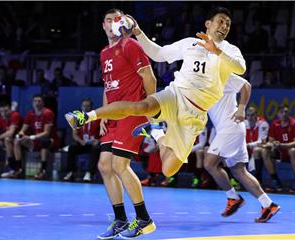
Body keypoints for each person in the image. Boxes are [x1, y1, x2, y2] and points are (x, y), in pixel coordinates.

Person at [65, 7, 246, 183]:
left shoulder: (230, 50)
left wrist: (217, 51)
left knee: (168, 169)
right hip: (176, 95)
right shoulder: (190, 43)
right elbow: (158, 54)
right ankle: (86, 116)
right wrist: (138, 32)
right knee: (142, 107)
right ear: (208, 23)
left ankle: (157, 131)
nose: (224, 27)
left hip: (196, 114)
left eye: (228, 24)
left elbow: (241, 68)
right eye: (221, 22)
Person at [92, 9, 157, 239]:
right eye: (108, 20)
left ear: (123, 23)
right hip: (115, 114)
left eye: (116, 20)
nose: (112, 24)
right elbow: (107, 86)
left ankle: (144, 219)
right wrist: (102, 115)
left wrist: (150, 110)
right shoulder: (104, 52)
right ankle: (120, 220)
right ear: (103, 25)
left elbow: (150, 77)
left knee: (120, 165)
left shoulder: (130, 45)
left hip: (133, 110)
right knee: (104, 165)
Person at [204, 74, 280, 223]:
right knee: (239, 170)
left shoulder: (221, 73)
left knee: (209, 163)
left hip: (230, 127)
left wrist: (241, 108)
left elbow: (246, 86)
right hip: (231, 129)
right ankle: (268, 205)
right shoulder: (201, 79)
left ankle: (233, 198)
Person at [7, 94, 59, 180]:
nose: (37, 103)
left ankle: (43, 171)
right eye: (35, 101)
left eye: (39, 101)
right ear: (32, 103)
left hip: (51, 140)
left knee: (44, 142)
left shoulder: (48, 113)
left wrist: (31, 137)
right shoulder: (30, 114)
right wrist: (19, 135)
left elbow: (46, 133)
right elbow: (23, 130)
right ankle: (19, 169)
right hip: (34, 141)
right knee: (16, 141)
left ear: (43, 103)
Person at [261, 105, 295, 193]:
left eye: (286, 112)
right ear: (278, 114)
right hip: (280, 151)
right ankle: (275, 181)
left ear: (289, 113)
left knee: (292, 151)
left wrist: (281, 145)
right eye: (282, 112)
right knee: (265, 151)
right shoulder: (274, 124)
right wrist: (268, 145)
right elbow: (271, 141)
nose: (284, 114)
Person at [63, 98, 101, 182]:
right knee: (72, 148)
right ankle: (70, 172)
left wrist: (98, 140)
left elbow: (104, 133)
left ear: (91, 107)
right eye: (84, 106)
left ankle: (89, 173)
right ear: (81, 107)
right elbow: (74, 134)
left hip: (94, 144)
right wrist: (81, 141)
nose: (86, 108)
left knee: (96, 149)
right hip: (82, 143)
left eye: (88, 106)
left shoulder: (98, 118)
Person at [0, 102, 22, 177]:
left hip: (19, 139)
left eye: (6, 111)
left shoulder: (15, 115)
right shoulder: (1, 118)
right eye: (1, 111)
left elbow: (11, 133)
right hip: (7, 140)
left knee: (7, 139)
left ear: (10, 110)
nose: (4, 113)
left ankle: (12, 169)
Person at [245, 107, 269, 183]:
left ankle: (258, 179)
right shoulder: (243, 123)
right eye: (248, 115)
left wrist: (247, 145)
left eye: (252, 115)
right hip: (246, 148)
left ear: (256, 115)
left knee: (256, 150)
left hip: (257, 149)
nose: (250, 117)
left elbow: (261, 141)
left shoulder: (263, 124)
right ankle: (233, 180)